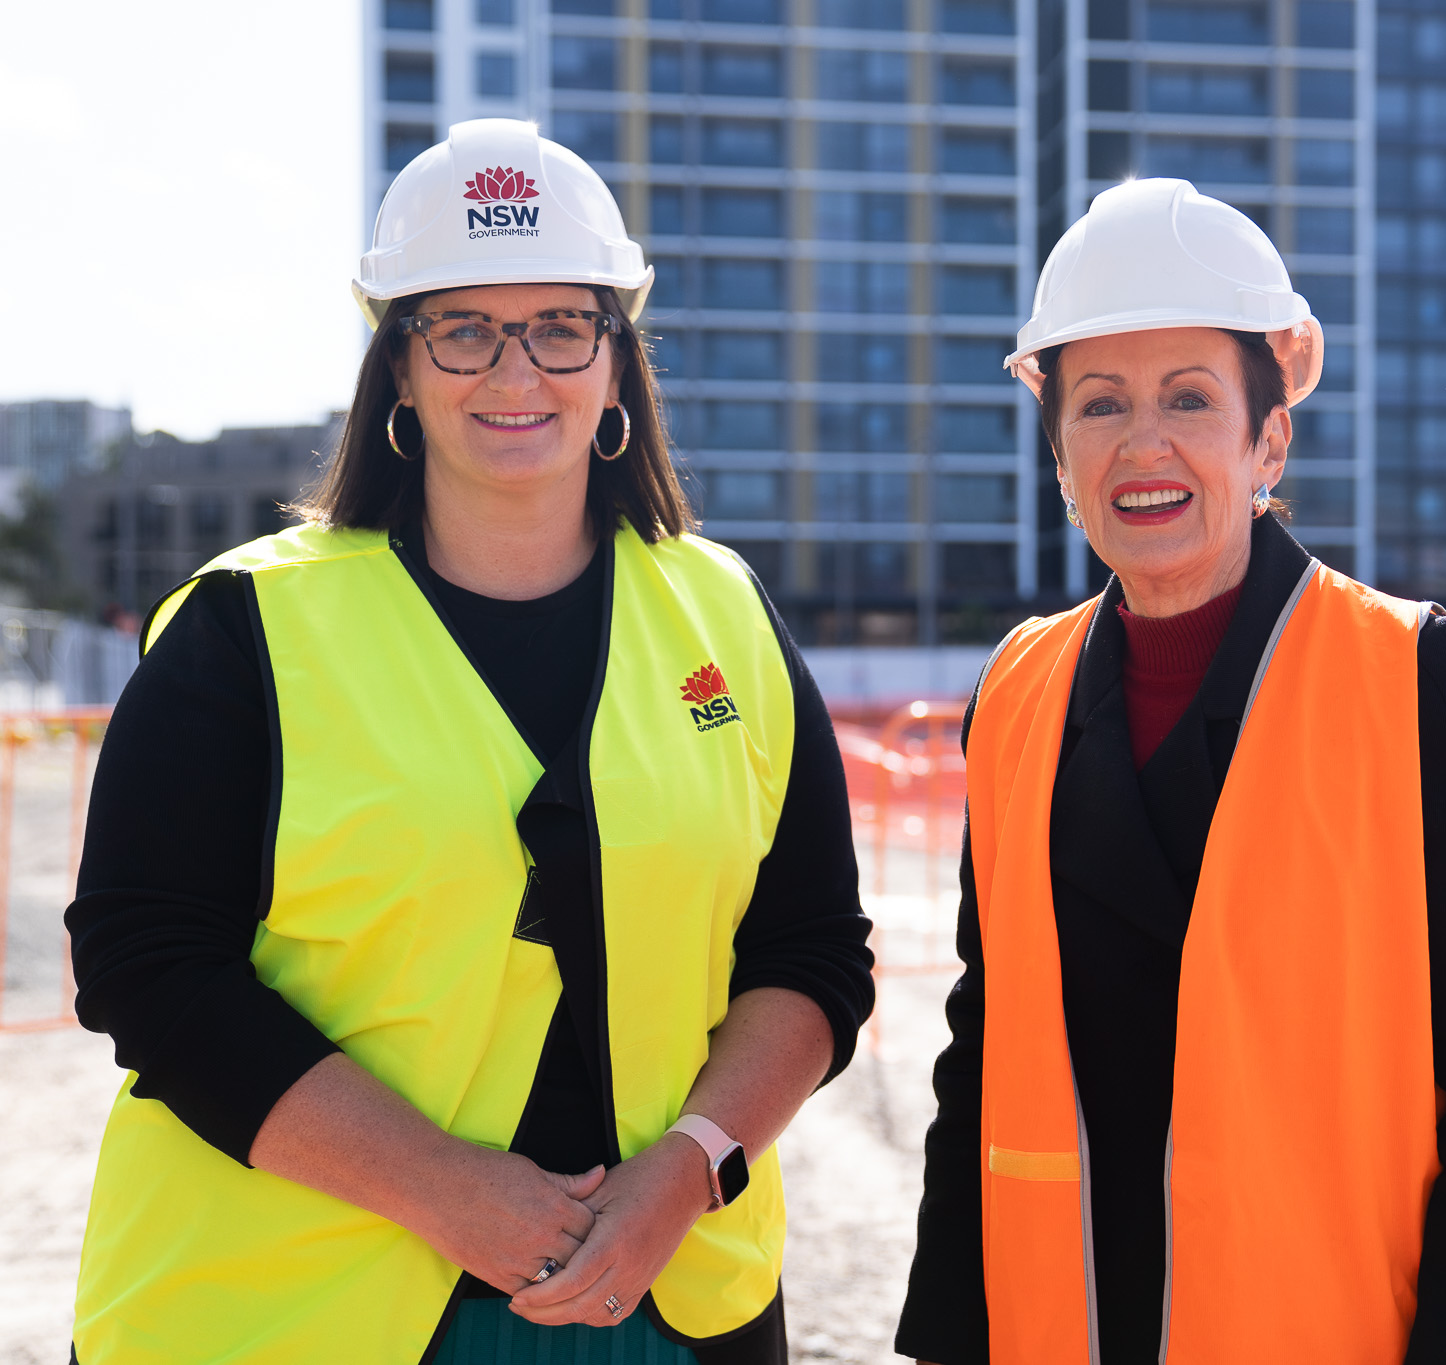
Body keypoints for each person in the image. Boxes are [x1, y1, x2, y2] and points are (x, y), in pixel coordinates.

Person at [65, 119, 872, 1364]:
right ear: (398, 365)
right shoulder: (246, 627)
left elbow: (810, 953)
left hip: (661, 1300)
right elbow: (147, 965)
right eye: (463, 330)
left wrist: (688, 1169)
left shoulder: (725, 615)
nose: (516, 373)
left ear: (616, 361)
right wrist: (441, 1186)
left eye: (560, 326)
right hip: (291, 1314)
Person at [894, 179, 1446, 1365]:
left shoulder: (1415, 674)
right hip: (1069, 1327)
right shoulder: (1016, 690)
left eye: (1188, 399)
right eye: (1098, 404)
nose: (1142, 443)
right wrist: (949, 1339)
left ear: (1268, 436)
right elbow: (985, 1038)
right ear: (1058, 452)